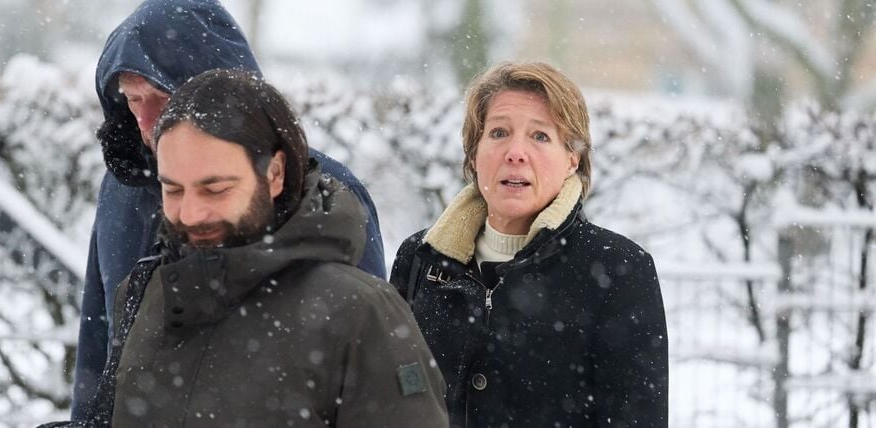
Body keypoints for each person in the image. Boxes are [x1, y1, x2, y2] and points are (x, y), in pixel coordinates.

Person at [77, 69, 448, 426]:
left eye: (216, 189)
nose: (189, 214)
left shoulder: (361, 312)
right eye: (172, 189)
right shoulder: (144, 292)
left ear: (274, 174)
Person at [72, 0, 386, 419]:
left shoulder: (320, 190)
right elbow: (100, 346)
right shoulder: (121, 190)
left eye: (162, 97)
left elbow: (371, 356)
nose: (146, 123)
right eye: (133, 99)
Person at [389, 62, 669, 427]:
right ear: (474, 154)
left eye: (540, 136)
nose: (515, 153)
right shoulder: (420, 259)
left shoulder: (619, 269)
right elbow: (394, 394)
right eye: (499, 132)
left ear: (573, 159)